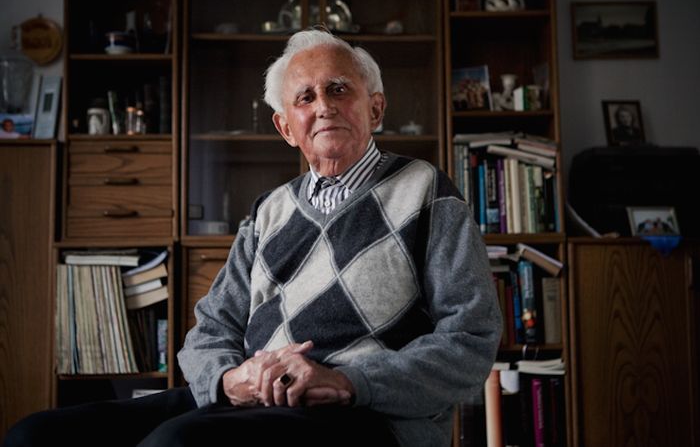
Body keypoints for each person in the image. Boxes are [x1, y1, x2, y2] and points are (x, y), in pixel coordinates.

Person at [4, 28, 501, 447]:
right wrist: (228, 380)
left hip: (366, 413)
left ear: (375, 108)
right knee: (35, 436)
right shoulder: (269, 210)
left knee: (176, 443)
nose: (324, 106)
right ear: (286, 128)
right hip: (252, 400)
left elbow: (471, 337)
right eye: (305, 97)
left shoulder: (426, 190)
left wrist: (348, 381)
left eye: (339, 89)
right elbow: (210, 329)